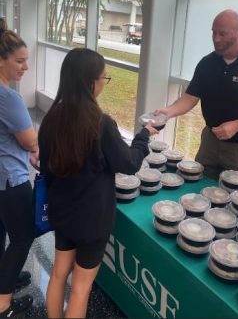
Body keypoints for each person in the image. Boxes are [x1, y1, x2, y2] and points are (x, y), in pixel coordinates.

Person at [38, 48, 158, 319]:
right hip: (92, 220)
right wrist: (142, 138)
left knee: (58, 275)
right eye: (104, 77)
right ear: (90, 81)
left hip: (62, 213)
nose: (105, 82)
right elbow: (128, 163)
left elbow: (46, 168)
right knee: (80, 289)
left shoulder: (51, 120)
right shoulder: (101, 124)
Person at [155, 9, 238, 183]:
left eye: (223, 34)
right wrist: (168, 111)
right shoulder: (207, 63)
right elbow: (190, 97)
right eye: (214, 33)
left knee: (235, 198)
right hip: (209, 142)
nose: (216, 39)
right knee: (197, 188)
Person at [0, 19, 38, 318]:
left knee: (1, 230)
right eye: (20, 61)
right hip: (10, 179)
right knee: (24, 235)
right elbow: (28, 141)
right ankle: (3, 302)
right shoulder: (8, 97)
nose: (25, 67)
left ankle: (4, 278)